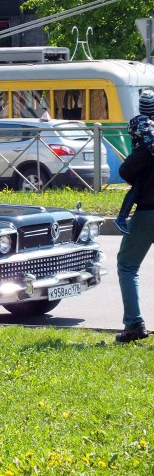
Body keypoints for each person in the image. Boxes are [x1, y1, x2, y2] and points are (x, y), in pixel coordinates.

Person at [115, 93, 154, 342]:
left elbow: (125, 170)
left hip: (148, 212)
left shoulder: (143, 150)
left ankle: (134, 325)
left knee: (127, 265)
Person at [114, 90, 154, 235]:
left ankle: (121, 218)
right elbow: (151, 143)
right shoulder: (146, 124)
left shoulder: (136, 120)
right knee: (136, 188)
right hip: (142, 162)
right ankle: (121, 218)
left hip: (136, 160)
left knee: (136, 189)